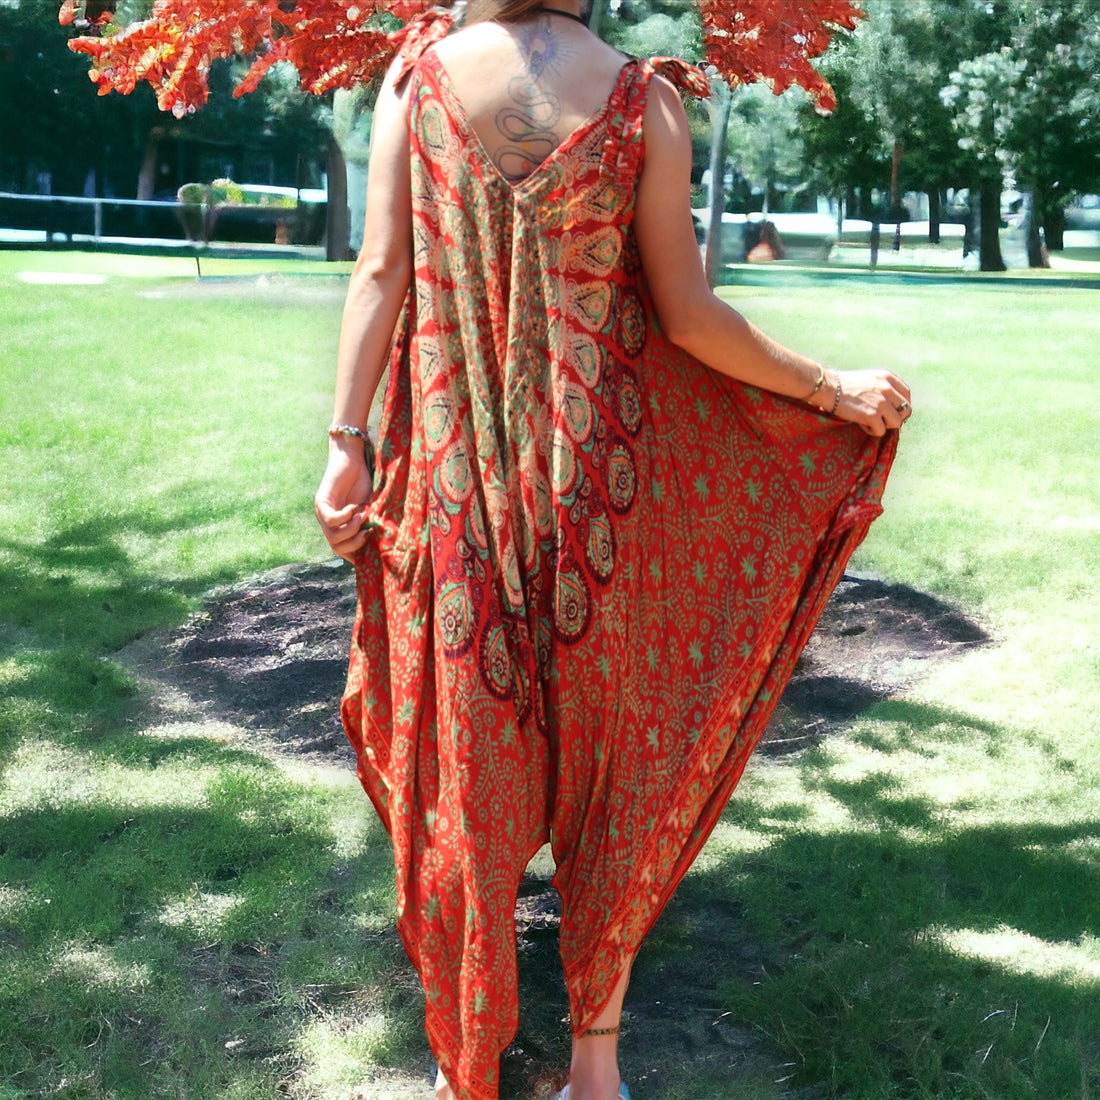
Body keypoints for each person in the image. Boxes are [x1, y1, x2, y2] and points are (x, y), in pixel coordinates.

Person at [314, 3, 911, 1098]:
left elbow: (379, 272)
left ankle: (470, 1062)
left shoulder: (417, 83)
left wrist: (348, 445)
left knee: (468, 765)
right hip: (601, 491)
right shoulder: (646, 103)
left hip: (458, 480)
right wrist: (831, 391)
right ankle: (596, 1065)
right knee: (613, 763)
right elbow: (685, 316)